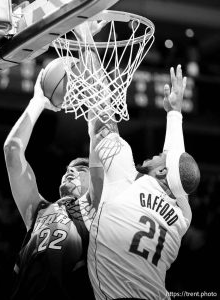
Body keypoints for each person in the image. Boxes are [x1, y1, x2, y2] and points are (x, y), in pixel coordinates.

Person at [86, 63, 200, 300]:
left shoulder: (125, 181)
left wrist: (88, 44)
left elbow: (102, 113)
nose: (154, 154)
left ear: (161, 173)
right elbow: (178, 176)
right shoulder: (181, 217)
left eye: (159, 157)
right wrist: (174, 113)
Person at [3, 66, 103, 300]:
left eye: (79, 170)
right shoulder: (37, 210)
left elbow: (99, 131)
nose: (69, 172)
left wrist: (87, 44)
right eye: (67, 169)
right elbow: (12, 150)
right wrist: (38, 101)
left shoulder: (96, 208)